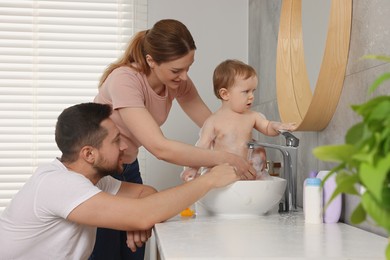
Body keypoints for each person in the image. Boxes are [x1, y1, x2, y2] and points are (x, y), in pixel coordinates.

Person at [92, 19, 256, 259]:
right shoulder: (125, 79)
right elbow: (160, 148)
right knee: (106, 252)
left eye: (188, 67)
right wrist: (224, 158)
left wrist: (244, 145)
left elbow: (214, 126)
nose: (184, 77)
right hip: (100, 173)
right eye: (176, 70)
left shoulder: (179, 83)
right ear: (151, 61)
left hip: (128, 168)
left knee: (134, 248)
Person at [0, 102, 240, 260]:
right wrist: (209, 180)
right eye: (116, 141)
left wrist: (136, 221)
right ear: (89, 154)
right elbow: (144, 212)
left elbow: (146, 194)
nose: (125, 146)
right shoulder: (57, 184)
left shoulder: (91, 180)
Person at [180, 59, 297, 182]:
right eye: (246, 91)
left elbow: (267, 127)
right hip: (222, 173)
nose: (252, 96)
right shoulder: (213, 121)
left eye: (253, 91)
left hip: (245, 173)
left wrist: (278, 126)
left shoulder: (252, 116)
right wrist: (193, 169)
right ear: (225, 94)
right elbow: (201, 148)